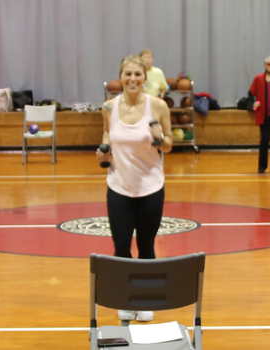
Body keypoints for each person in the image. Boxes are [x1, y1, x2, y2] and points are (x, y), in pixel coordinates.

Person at [94, 54, 174, 323]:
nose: (132, 79)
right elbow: (107, 133)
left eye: (137, 74)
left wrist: (159, 140)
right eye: (127, 74)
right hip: (119, 186)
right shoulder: (108, 107)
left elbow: (170, 144)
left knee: (146, 246)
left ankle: (146, 299)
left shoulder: (159, 106)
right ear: (120, 77)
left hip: (151, 187)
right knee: (120, 247)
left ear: (145, 77)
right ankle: (125, 299)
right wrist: (104, 153)